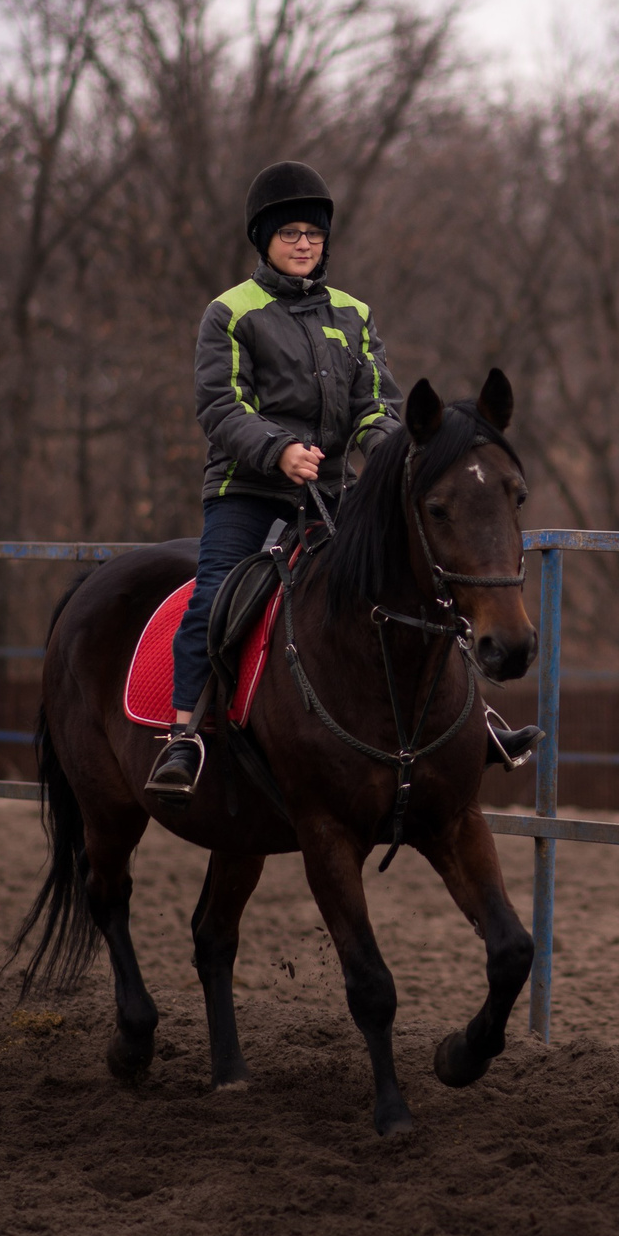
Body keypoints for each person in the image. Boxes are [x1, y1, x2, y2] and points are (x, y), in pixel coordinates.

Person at [147, 161, 399, 796]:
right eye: (289, 233)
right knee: (214, 598)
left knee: (405, 589)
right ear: (263, 239)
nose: (303, 244)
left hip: (332, 493)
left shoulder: (355, 315)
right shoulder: (230, 313)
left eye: (313, 233)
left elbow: (376, 404)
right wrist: (280, 449)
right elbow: (220, 406)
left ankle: (467, 723)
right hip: (248, 489)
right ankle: (183, 736)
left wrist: (388, 450)